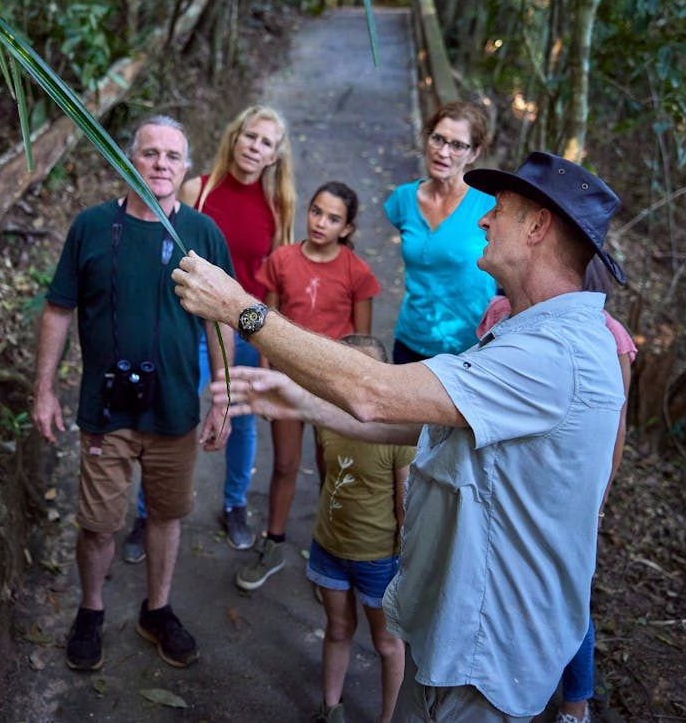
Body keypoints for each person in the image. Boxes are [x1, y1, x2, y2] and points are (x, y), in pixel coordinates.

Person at [172, 151, 629, 721]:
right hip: (453, 639)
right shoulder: (524, 331)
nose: (483, 220)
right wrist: (297, 397)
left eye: (500, 211)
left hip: (486, 660)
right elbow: (424, 416)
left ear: (538, 226)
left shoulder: (552, 356)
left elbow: (376, 391)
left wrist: (240, 309)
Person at [32, 116, 234, 672]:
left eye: (172, 156)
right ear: (128, 160)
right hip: (105, 407)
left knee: (167, 516)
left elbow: (224, 321)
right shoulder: (92, 227)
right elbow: (57, 309)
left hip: (174, 409)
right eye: (149, 154)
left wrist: (222, 397)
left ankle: (157, 609)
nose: (160, 165)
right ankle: (91, 611)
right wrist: (44, 389)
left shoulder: (203, 234)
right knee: (98, 522)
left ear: (187, 168)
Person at [127, 105, 295, 559]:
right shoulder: (196, 189)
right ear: (234, 137)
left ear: (275, 155)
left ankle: (235, 503)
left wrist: (270, 344)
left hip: (245, 327)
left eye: (265, 142)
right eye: (249, 137)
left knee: (239, 418)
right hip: (192, 323)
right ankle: (147, 512)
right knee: (172, 412)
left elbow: (274, 277)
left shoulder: (279, 206)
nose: (254, 148)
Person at [475, 258, 637, 723]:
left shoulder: (609, 336)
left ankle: (575, 702)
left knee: (567, 594)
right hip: (509, 485)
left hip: (568, 491)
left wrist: (598, 501)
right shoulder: (501, 312)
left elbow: (615, 429)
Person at [237, 181, 380, 591]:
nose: (321, 222)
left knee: (331, 468)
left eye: (333, 218)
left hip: (332, 387)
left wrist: (350, 392)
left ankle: (331, 559)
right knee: (284, 464)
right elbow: (267, 322)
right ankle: (275, 543)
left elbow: (363, 345)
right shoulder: (281, 260)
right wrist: (267, 377)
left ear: (348, 228)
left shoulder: (357, 272)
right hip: (285, 380)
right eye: (316, 211)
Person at [309, 333, 411, 723]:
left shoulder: (399, 435)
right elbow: (329, 477)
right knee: (337, 628)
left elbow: (405, 508)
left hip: (379, 560)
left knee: (387, 643)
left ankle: (388, 718)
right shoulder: (328, 420)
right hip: (329, 547)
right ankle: (330, 708)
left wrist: (403, 564)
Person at [384, 101, 496, 364]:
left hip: (471, 348)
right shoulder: (403, 199)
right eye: (438, 139)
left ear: (473, 154)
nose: (443, 152)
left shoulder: (490, 205)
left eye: (457, 145)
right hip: (411, 340)